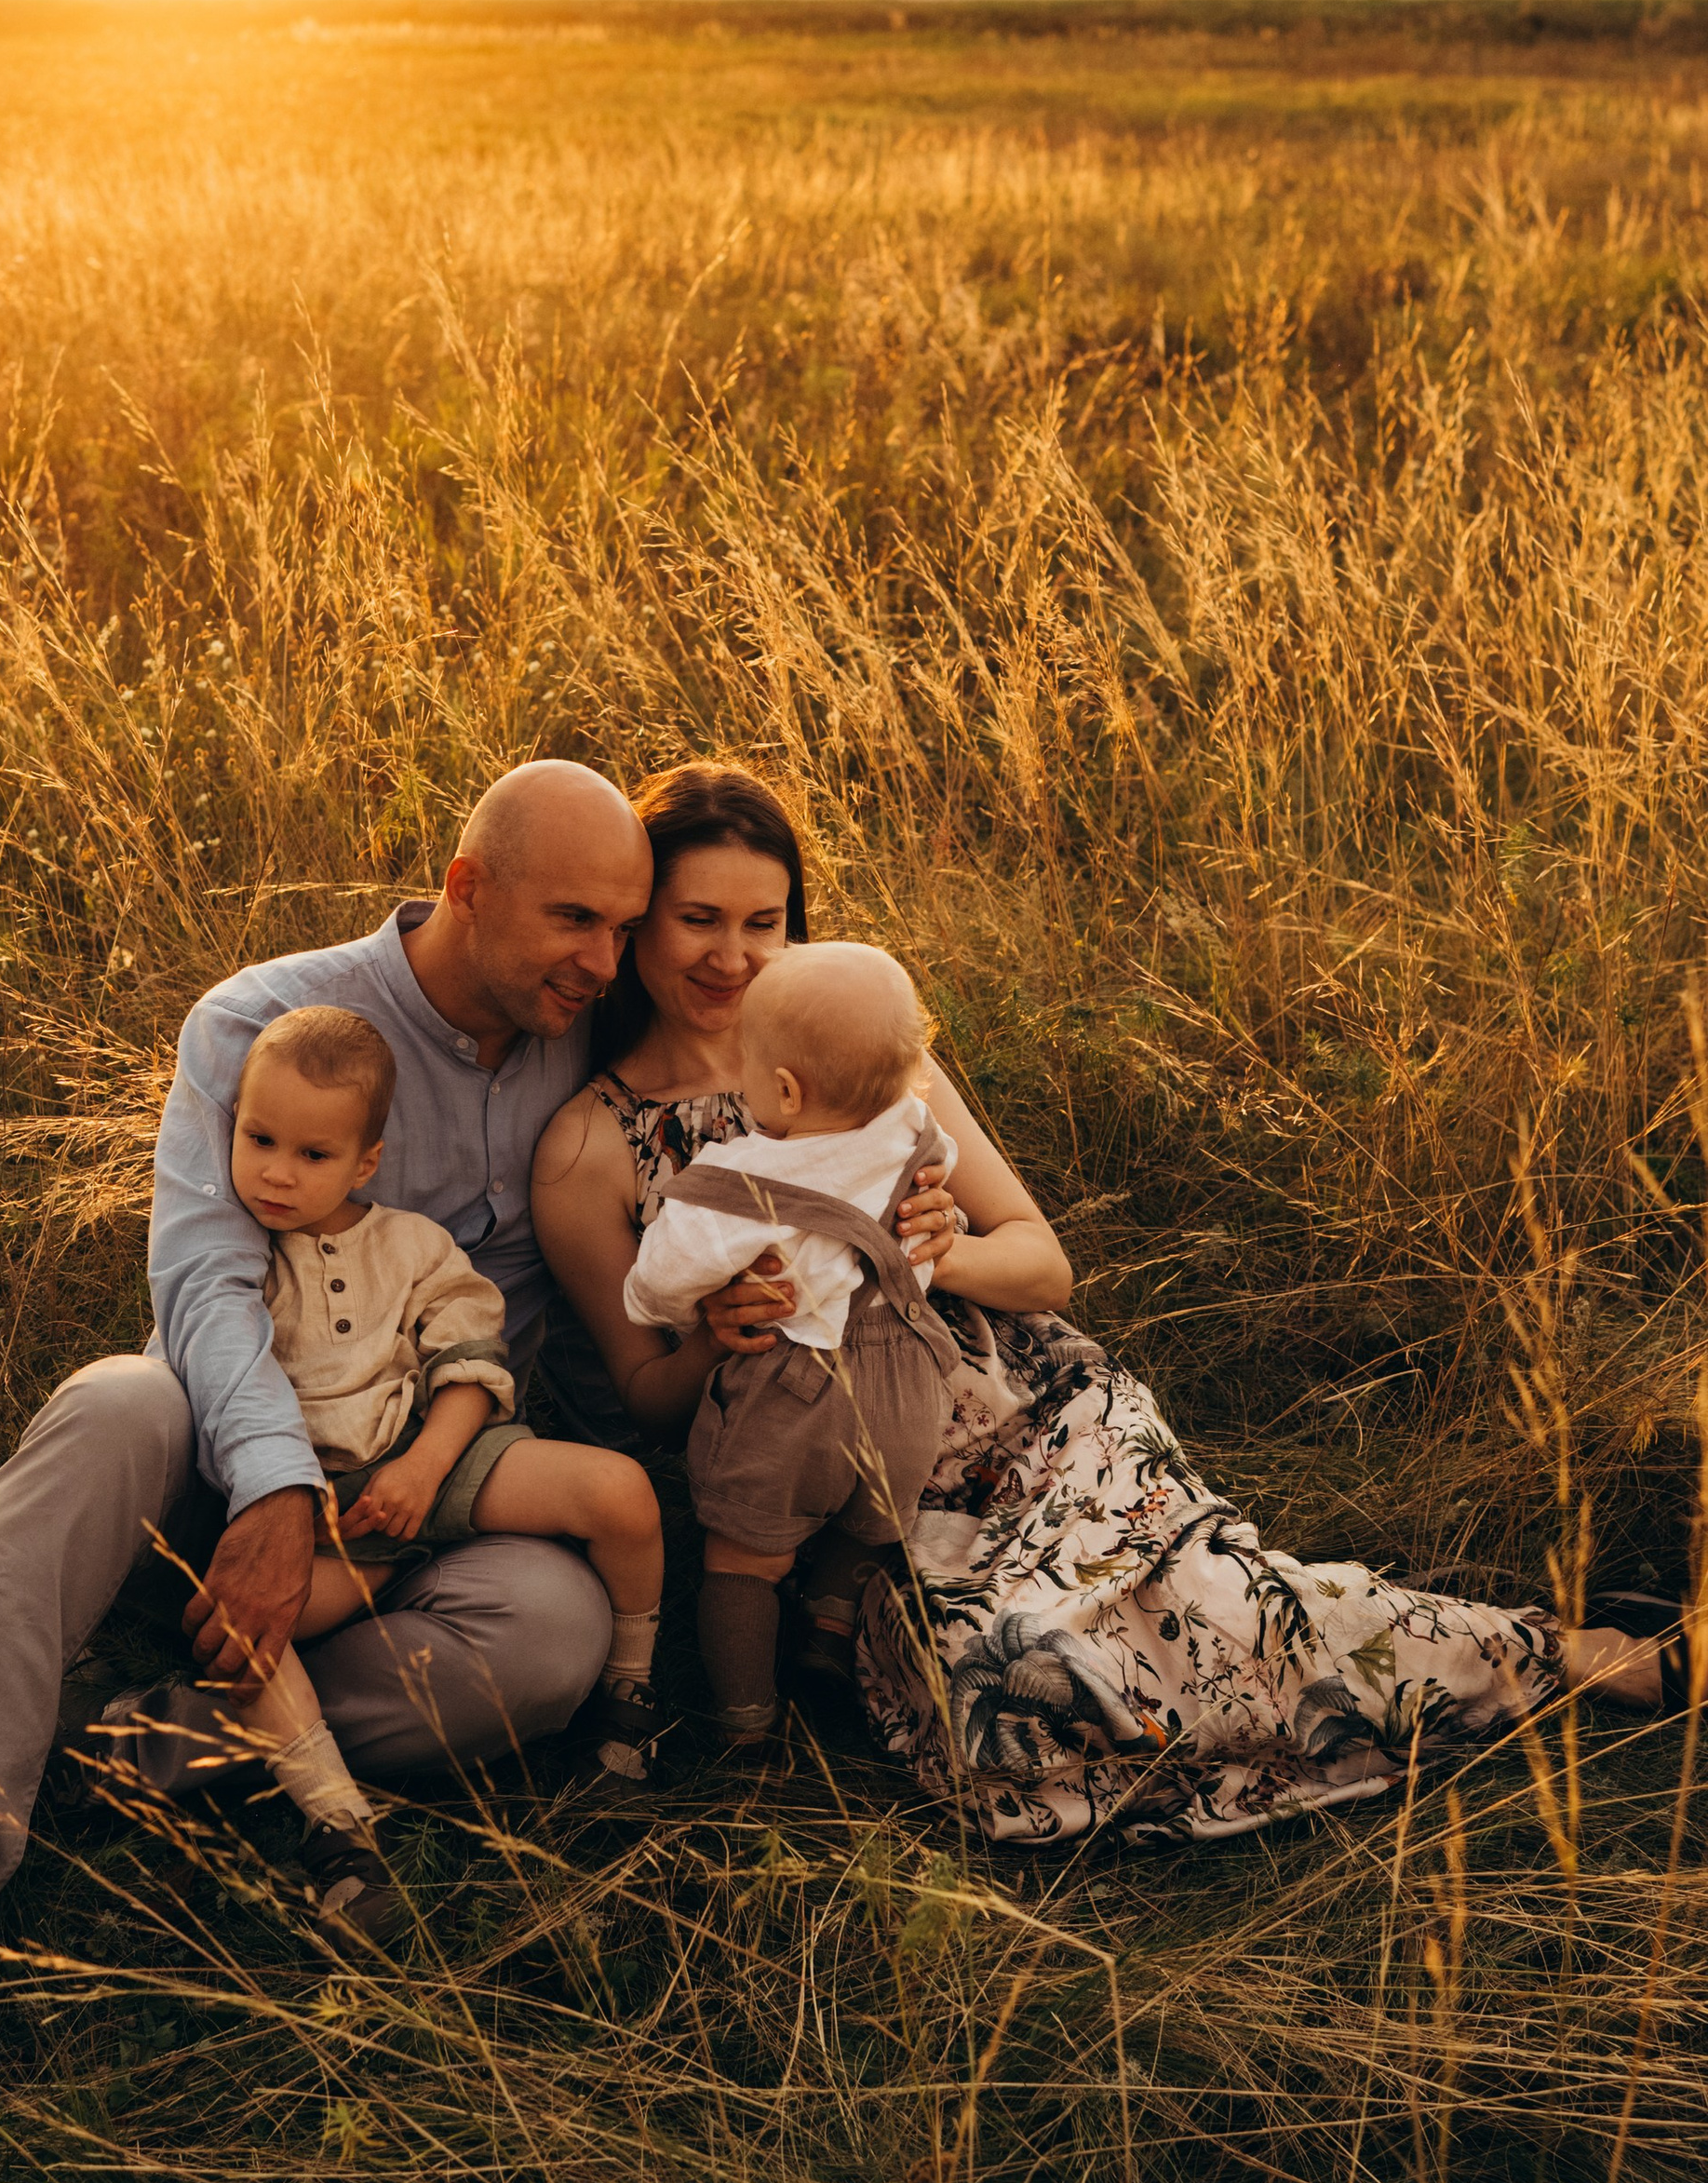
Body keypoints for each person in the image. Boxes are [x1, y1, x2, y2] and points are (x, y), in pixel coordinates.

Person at [536, 758, 1677, 1849]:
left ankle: (1560, 1652)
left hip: (1030, 1406)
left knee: (1205, 1602)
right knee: (1015, 1695)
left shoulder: (863, 1054)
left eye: (763, 921)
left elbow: (1042, 1267)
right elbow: (642, 1397)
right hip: (847, 1487)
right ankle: (1375, 1706)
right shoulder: (592, 1144)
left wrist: (943, 1255)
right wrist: (720, 1334)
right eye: (698, 919)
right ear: (638, 920)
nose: (732, 957)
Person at [0, 757, 664, 2138]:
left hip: (415, 1490)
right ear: (466, 889)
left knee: (554, 1633)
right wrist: (270, 1493)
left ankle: (116, 1747)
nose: (604, 959)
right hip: (214, 1459)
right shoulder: (261, 1022)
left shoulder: (590, 1028)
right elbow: (199, 1290)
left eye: (625, 926)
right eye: (574, 921)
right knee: (109, 1404)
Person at [204, 1000, 664, 1938]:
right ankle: (339, 1836)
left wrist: (424, 1465)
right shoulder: (226, 1266)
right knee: (246, 1632)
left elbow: (469, 1359)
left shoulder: (411, 1246)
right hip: (318, 1508)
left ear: (365, 1160)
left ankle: (630, 1699)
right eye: (259, 1139)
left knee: (620, 1492)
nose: (277, 1174)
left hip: (432, 1455)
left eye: (314, 1154)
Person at [622, 942, 957, 1752]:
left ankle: (745, 1723)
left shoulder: (739, 1181)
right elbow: (938, 1194)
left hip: (796, 1397)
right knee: (870, 1520)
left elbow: (661, 1281)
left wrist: (666, 1302)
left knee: (742, 1561)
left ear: (783, 1090)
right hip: (909, 1388)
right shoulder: (917, 1134)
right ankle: (831, 1627)